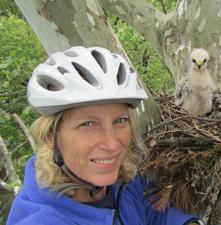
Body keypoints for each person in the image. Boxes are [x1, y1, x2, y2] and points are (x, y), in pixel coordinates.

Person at [6, 46, 204, 225]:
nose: (112, 145)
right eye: (88, 124)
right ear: (51, 136)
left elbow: (148, 210)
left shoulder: (122, 180)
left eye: (120, 121)